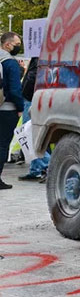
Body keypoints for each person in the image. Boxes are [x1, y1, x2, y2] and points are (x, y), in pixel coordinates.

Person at [0, 32, 24, 190]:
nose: (18, 46)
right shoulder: (10, 62)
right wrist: (20, 107)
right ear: (7, 44)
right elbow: (15, 90)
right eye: (17, 44)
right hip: (8, 108)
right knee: (2, 144)